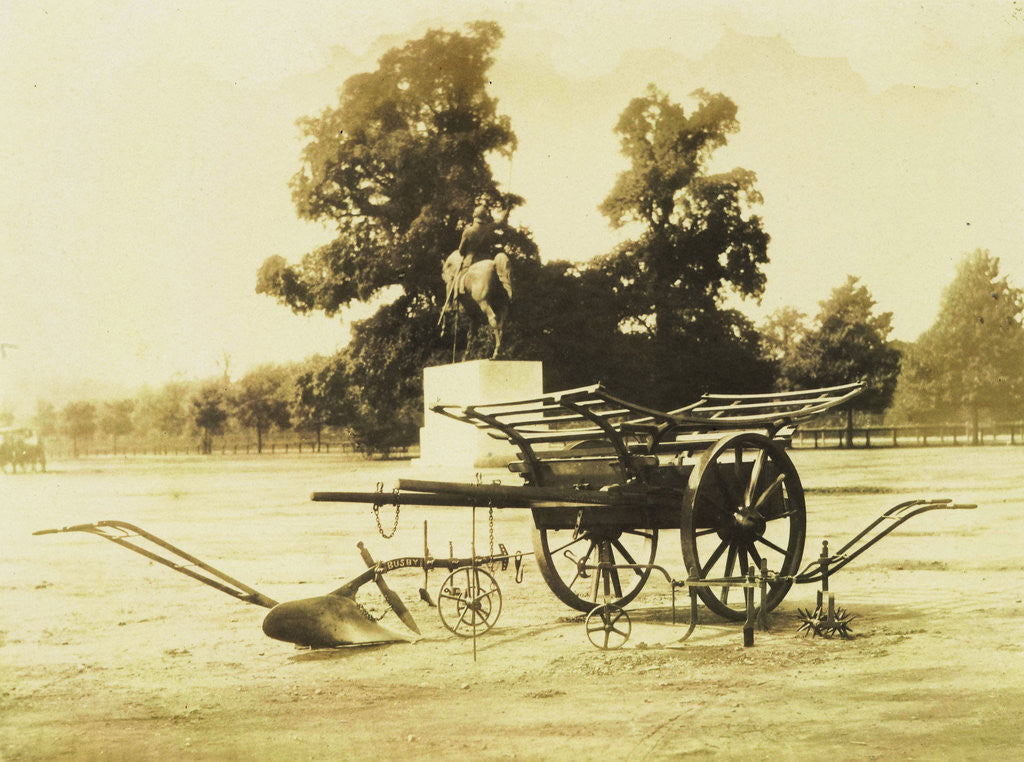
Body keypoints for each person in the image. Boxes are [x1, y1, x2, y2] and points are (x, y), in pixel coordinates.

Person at [457, 201, 511, 269]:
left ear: (474, 215)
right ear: (486, 217)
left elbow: (461, 251)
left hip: (470, 261)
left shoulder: (468, 231)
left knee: (459, 276)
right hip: (487, 260)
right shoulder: (490, 229)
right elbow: (500, 223)